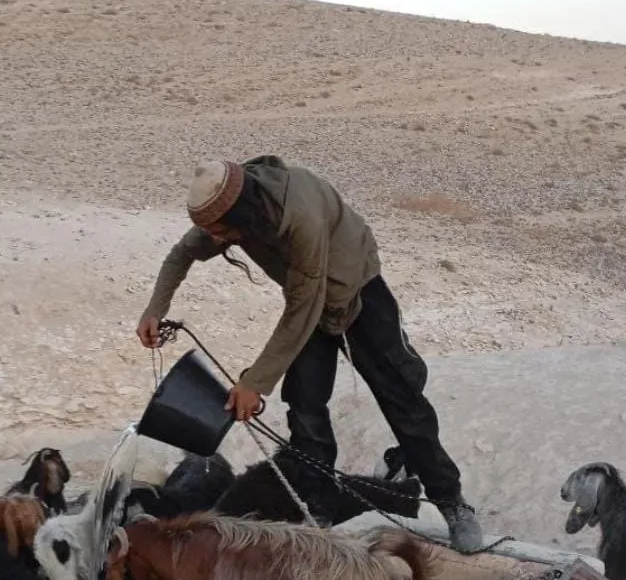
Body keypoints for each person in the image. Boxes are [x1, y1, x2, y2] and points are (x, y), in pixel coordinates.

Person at [136, 155, 483, 553]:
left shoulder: (299, 216)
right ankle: (316, 508)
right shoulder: (227, 221)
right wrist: (155, 309)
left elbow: (304, 307)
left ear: (242, 214)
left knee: (403, 400)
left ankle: (452, 502)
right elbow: (180, 255)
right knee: (304, 408)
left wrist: (255, 383)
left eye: (219, 232)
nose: (215, 240)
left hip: (357, 293)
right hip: (310, 303)